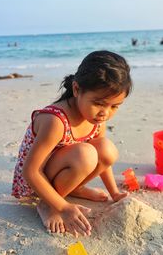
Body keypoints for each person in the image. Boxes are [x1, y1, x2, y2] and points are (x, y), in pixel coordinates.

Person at [12, 50, 133, 237]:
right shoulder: (56, 121)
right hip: (36, 181)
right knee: (85, 154)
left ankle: (74, 188)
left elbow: (104, 157)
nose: (105, 113)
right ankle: (48, 204)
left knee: (106, 149)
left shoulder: (96, 117)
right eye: (99, 103)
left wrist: (114, 193)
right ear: (76, 90)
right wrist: (63, 207)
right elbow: (31, 171)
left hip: (63, 169)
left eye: (114, 106)